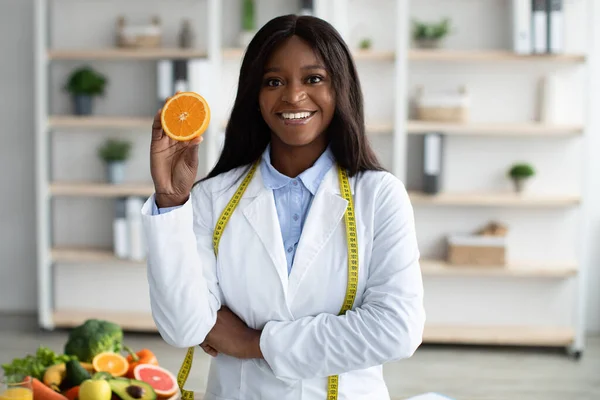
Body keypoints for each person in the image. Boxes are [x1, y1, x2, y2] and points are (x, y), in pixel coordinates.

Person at [141, 14, 425, 400]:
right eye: (274, 81)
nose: (293, 96)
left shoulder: (380, 196)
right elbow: (184, 328)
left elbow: (397, 330)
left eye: (313, 79)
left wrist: (253, 342)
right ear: (255, 97)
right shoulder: (210, 198)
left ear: (340, 88)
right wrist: (171, 202)